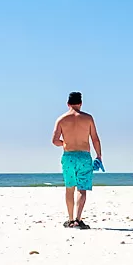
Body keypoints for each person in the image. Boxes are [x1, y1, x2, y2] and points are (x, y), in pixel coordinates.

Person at [50, 91, 103, 229]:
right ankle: (78, 220)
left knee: (69, 188)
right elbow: (95, 138)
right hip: (84, 156)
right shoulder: (88, 118)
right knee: (82, 189)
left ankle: (70, 219)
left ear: (68, 103)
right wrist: (99, 155)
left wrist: (65, 143)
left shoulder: (61, 119)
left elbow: (54, 141)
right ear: (81, 103)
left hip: (69, 157)